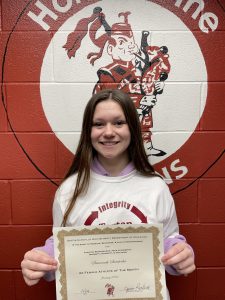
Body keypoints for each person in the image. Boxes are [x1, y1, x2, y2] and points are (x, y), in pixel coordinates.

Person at [21, 89, 195, 298]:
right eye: (99, 124)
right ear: (88, 131)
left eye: (119, 122)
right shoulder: (68, 190)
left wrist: (179, 252)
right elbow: (61, 248)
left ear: (132, 128)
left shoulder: (156, 186)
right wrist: (42, 259)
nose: (109, 131)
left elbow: (168, 241)